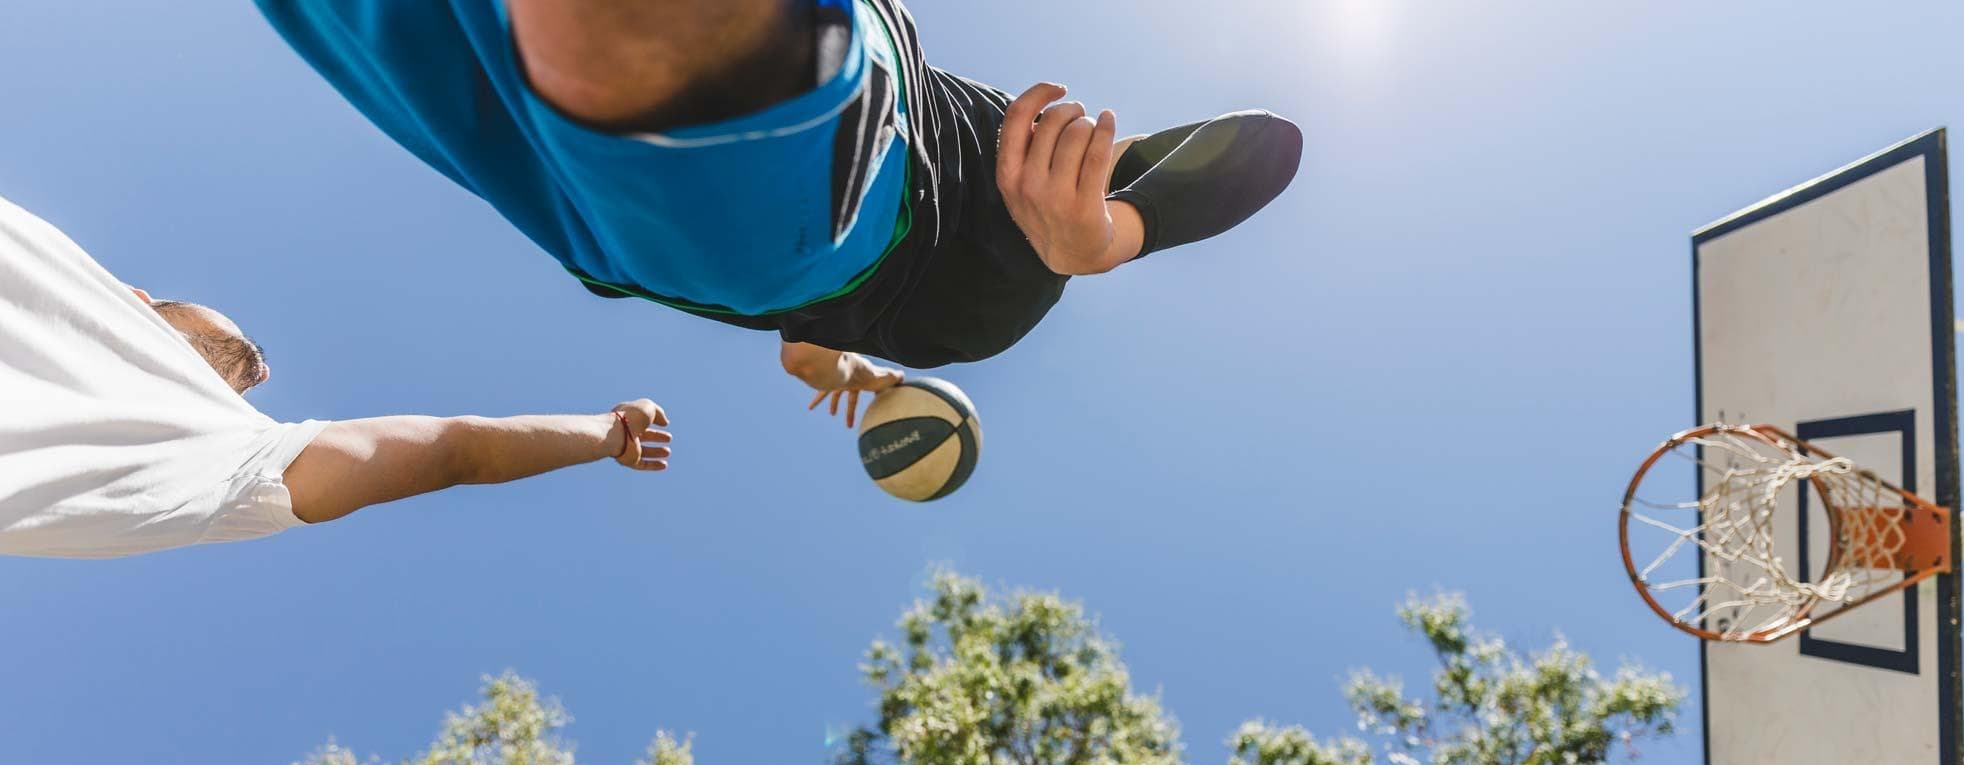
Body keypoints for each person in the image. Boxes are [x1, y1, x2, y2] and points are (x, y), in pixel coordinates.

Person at [254, 0, 1304, 425]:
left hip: (808, 211)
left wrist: (1105, 242)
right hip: (728, 212)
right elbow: (1255, 146)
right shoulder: (977, 291)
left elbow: (1258, 157)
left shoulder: (996, 299)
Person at [0, 196, 671, 559]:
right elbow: (456, 450)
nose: (259, 374)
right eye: (241, 350)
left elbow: (458, 451)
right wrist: (612, 434)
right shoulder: (223, 452)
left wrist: (610, 432)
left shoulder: (223, 448)